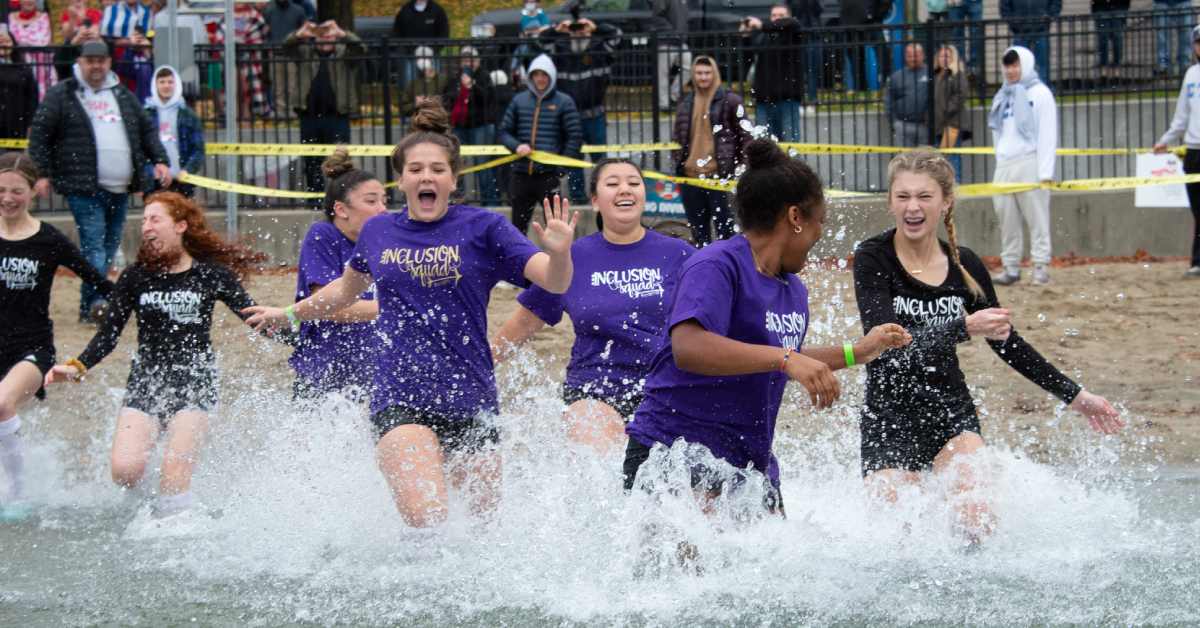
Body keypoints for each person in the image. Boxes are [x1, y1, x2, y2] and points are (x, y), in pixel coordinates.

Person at [243, 102, 580, 528]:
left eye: (437, 169)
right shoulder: (378, 231)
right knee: (429, 519)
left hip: (470, 395)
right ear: (400, 179)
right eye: (416, 169)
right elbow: (343, 292)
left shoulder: (484, 228)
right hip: (400, 394)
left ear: (453, 179)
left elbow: (553, 282)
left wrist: (561, 252)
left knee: (482, 532)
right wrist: (289, 313)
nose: (427, 177)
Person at [623, 138, 910, 516]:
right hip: (673, 452)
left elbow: (764, 355)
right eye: (819, 222)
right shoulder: (716, 265)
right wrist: (785, 358)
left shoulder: (794, 290)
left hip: (749, 465)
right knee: (695, 573)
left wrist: (857, 352)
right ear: (795, 218)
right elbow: (689, 347)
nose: (820, 235)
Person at [852, 149, 1123, 541]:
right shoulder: (872, 257)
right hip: (890, 419)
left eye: (924, 197)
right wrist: (963, 325)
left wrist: (1076, 396)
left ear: (945, 201)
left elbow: (1008, 344)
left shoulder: (966, 265)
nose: (913, 207)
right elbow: (885, 342)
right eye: (903, 196)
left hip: (950, 414)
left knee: (977, 522)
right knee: (900, 537)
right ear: (890, 201)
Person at [44, 192, 268, 520]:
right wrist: (77, 365)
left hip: (194, 378)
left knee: (174, 476)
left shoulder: (211, 274)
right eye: (144, 220)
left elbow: (254, 318)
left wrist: (296, 333)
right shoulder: (135, 277)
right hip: (147, 378)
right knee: (125, 471)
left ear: (180, 226)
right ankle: (155, 490)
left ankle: (175, 530)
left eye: (155, 219)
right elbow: (108, 335)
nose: (146, 226)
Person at [493, 159, 695, 453]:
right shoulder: (572, 257)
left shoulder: (680, 255)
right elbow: (524, 323)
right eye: (612, 184)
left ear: (644, 196)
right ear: (595, 200)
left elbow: (716, 316)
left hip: (665, 389)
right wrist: (481, 365)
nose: (624, 189)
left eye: (633, 183)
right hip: (594, 390)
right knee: (602, 457)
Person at [0, 153, 113, 519]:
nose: (7, 198)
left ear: (34, 191)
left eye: (16, 190)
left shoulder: (48, 239)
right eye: (0, 190)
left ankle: (18, 496)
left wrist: (137, 296)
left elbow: (96, 279)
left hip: (30, 348)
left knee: (2, 404)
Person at [28, 40, 171, 324]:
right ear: (79, 62)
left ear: (109, 63)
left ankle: (92, 302)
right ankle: (96, 302)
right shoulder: (63, 94)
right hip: (82, 185)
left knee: (107, 246)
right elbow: (40, 135)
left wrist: (160, 159)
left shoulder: (121, 93)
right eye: (90, 60)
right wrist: (41, 174)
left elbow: (146, 129)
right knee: (94, 246)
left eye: (101, 60)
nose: (96, 66)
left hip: (119, 186)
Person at [290, 148, 385, 400]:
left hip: (373, 369)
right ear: (341, 210)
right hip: (324, 372)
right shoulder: (323, 236)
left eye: (384, 200)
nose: (383, 209)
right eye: (372, 201)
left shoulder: (381, 242)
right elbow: (330, 307)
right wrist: (393, 307)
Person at [987, 46, 1057, 286]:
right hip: (1005, 164)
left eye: (1015, 65)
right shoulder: (1002, 95)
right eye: (1007, 65)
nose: (1011, 70)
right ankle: (1011, 266)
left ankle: (1040, 266)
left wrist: (1045, 172)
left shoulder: (1039, 93)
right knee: (1007, 219)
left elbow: (1048, 133)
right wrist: (1000, 159)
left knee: (1037, 217)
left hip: (1030, 162)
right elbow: (997, 131)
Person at [278, 20, 363, 206]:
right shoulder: (305, 53)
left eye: (328, 34)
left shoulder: (344, 54)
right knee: (311, 161)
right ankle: (314, 199)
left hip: (337, 116)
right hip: (309, 117)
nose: (325, 39)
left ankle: (341, 197)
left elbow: (361, 49)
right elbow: (285, 47)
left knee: (340, 161)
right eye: (320, 35)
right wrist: (300, 33)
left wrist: (342, 32)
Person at [538, 16, 621, 205]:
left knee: (600, 160)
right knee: (573, 159)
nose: (578, 33)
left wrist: (596, 27)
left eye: (581, 29)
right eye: (574, 30)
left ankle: (603, 196)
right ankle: (578, 199)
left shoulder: (599, 49)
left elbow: (617, 37)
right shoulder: (559, 50)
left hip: (595, 114)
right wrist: (557, 29)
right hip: (570, 117)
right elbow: (539, 41)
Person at [497, 54, 583, 236]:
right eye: (536, 75)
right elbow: (504, 132)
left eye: (544, 75)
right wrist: (516, 146)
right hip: (520, 175)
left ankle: (561, 263)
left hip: (548, 177)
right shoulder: (519, 100)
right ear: (530, 77)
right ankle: (518, 264)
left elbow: (575, 137)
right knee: (517, 231)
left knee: (557, 228)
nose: (540, 79)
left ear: (551, 76)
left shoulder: (564, 101)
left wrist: (560, 168)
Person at [672, 56, 752, 247]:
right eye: (699, 73)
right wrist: (678, 163)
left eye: (707, 73)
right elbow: (677, 137)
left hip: (719, 177)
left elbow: (746, 137)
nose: (703, 77)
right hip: (690, 176)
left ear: (715, 74)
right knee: (699, 235)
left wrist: (741, 167)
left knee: (726, 233)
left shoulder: (730, 101)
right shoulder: (686, 102)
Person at [1153, 25, 1200, 279]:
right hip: (1194, 151)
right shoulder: (1191, 74)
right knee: (1197, 210)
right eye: (1198, 43)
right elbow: (1181, 117)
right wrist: (1166, 140)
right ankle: (1197, 261)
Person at [741, 4, 810, 142]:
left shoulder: (793, 32)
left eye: (781, 15)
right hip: (764, 100)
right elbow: (747, 59)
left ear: (789, 16)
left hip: (787, 99)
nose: (777, 19)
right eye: (774, 15)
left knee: (790, 146)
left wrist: (761, 25)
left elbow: (792, 23)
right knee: (765, 146)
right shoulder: (764, 37)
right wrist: (746, 36)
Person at [443, 46, 500, 207]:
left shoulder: (484, 76)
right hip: (460, 126)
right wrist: (460, 90)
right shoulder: (455, 78)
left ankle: (489, 201)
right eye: (465, 60)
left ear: (478, 61)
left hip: (480, 125)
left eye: (472, 60)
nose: (469, 63)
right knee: (457, 162)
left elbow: (488, 98)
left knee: (482, 163)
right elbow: (447, 97)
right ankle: (458, 200)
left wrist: (472, 86)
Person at [144, 65, 205, 197]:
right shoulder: (145, 114)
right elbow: (140, 149)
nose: (166, 86)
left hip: (181, 181)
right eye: (162, 82)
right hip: (155, 180)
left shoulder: (188, 115)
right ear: (155, 85)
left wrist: (187, 170)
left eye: (170, 82)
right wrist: (150, 171)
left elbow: (198, 149)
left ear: (176, 85)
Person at [999, 0, 1060, 85]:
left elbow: (1056, 3)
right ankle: (1020, 93)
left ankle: (1043, 93)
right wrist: (1012, 21)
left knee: (1041, 67)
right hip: (1019, 31)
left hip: (1041, 29)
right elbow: (1004, 5)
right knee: (1019, 65)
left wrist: (1049, 17)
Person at [390, 0, 449, 87]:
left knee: (433, 84)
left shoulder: (437, 10)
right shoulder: (405, 10)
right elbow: (397, 32)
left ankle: (431, 100)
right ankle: (411, 100)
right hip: (409, 54)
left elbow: (444, 33)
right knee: (409, 83)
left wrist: (432, 49)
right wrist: (407, 49)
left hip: (431, 54)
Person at [7, 0, 57, 101]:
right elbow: (10, 40)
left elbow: (43, 40)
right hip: (18, 67)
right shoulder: (11, 17)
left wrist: (20, 42)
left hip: (41, 68)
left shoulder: (44, 17)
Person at [933, 44, 968, 180]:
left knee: (952, 161)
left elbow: (961, 94)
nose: (944, 59)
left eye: (947, 56)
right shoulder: (937, 75)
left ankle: (955, 187)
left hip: (952, 124)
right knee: (941, 161)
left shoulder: (957, 74)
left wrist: (946, 110)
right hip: (938, 125)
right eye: (941, 56)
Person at [885, 43, 930, 148]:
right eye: (910, 55)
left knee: (925, 161)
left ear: (923, 55)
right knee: (905, 161)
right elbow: (888, 101)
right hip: (903, 126)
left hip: (926, 126)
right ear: (905, 57)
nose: (913, 58)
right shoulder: (896, 76)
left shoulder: (931, 73)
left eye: (916, 55)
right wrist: (895, 123)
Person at [649, 0, 690, 111]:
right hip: (665, 41)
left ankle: (672, 95)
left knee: (690, 68)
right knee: (662, 75)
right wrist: (672, 32)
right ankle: (664, 104)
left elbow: (684, 20)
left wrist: (681, 35)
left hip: (680, 41)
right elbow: (657, 16)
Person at [0, 30, 38, 139]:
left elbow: (32, 98)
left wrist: (31, 123)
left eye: (6, 41)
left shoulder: (24, 68)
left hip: (17, 123)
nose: (3, 45)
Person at [400, 46, 449, 121]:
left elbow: (451, 101)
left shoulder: (443, 80)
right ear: (416, 61)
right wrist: (416, 104)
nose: (423, 60)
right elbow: (403, 108)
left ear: (432, 60)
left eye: (427, 57)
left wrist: (437, 101)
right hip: (418, 124)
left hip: (437, 123)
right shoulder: (412, 83)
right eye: (419, 58)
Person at [1092, 0, 1130, 79]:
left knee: (1117, 37)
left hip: (1119, 6)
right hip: (1100, 6)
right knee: (1103, 37)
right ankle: (1104, 68)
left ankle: (1116, 67)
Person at [1154, 0, 1193, 76]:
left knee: (1185, 34)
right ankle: (1163, 65)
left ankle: (1184, 65)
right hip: (1161, 2)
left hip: (1184, 2)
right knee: (1162, 35)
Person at [948, 0, 983, 79]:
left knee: (976, 33)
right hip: (955, 2)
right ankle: (961, 67)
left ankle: (974, 66)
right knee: (957, 34)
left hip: (974, 2)